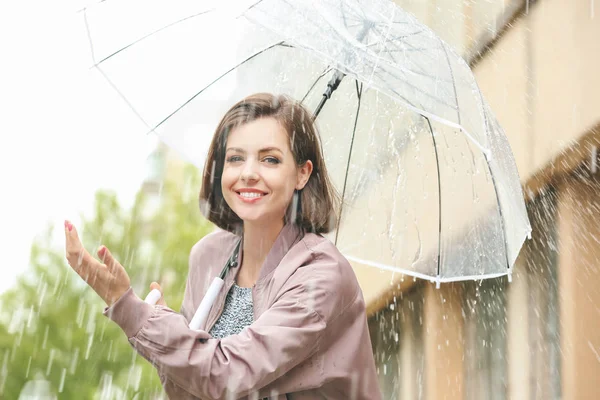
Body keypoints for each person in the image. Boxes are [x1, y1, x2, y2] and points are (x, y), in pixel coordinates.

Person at [64, 93, 382, 399]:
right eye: (235, 158)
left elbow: (226, 375)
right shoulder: (208, 257)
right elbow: (189, 390)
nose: (248, 173)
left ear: (302, 173)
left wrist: (133, 310)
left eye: (270, 159)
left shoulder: (321, 275)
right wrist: (160, 331)